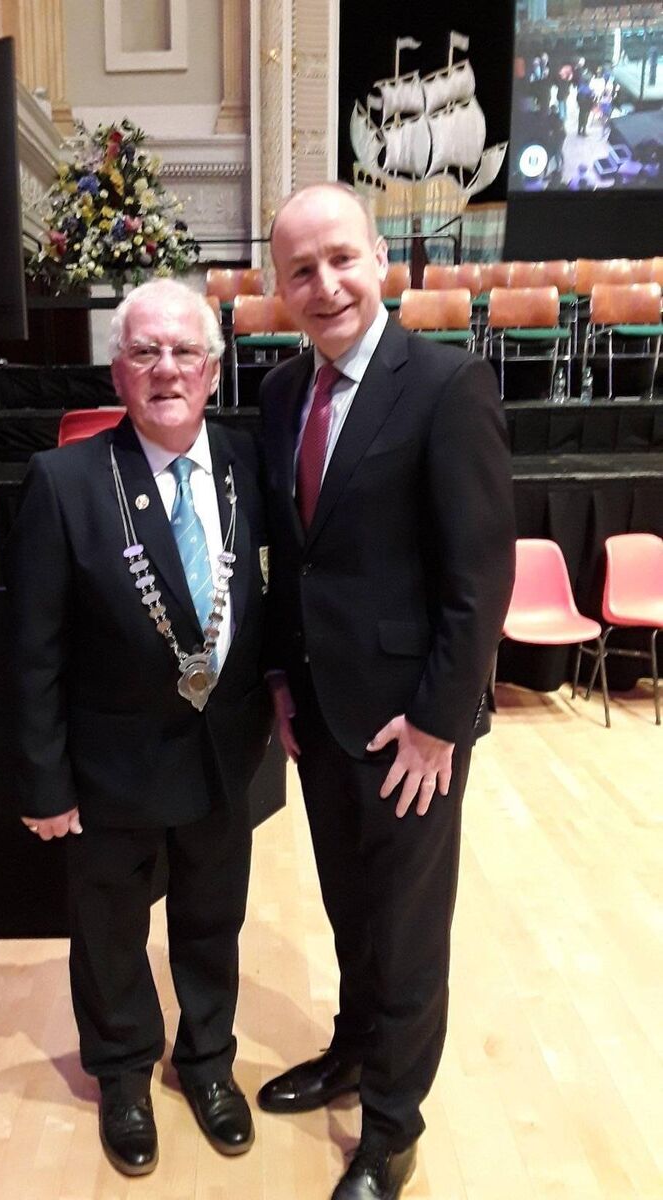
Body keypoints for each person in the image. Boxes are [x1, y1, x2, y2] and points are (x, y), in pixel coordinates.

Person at [257, 184, 515, 1200]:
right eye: (301, 271)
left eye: (341, 260)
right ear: (279, 289)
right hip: (321, 714)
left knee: (407, 932)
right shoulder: (282, 393)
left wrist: (442, 724)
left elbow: (479, 577)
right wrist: (281, 677)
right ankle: (354, 1049)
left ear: (381, 262)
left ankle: (392, 1130)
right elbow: (294, 560)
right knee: (349, 907)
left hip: (415, 726)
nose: (325, 285)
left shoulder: (448, 385)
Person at [6, 279, 271, 1177]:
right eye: (145, 352)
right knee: (110, 926)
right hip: (109, 760)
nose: (167, 369)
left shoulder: (247, 463)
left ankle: (207, 1061)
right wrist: (45, 780)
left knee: (213, 916)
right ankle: (122, 1071)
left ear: (213, 368)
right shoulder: (64, 482)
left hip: (222, 750)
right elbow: (33, 651)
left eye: (185, 351)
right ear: (118, 371)